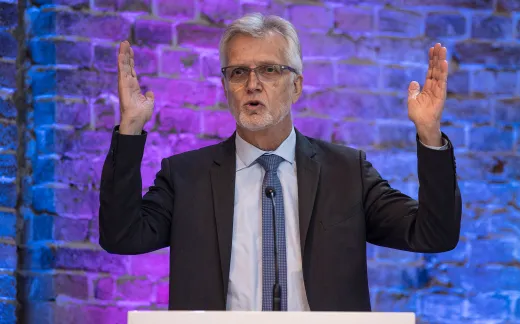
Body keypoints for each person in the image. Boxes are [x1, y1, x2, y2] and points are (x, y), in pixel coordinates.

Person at [99, 13, 462, 312]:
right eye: (238, 72)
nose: (252, 84)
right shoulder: (185, 176)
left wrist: (429, 133)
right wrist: (130, 129)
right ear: (225, 85)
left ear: (297, 86)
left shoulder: (346, 172)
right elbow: (122, 236)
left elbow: (433, 234)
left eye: (270, 70)